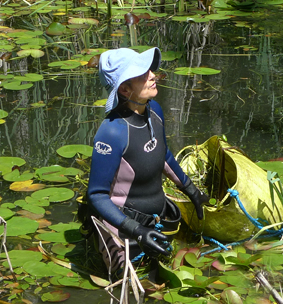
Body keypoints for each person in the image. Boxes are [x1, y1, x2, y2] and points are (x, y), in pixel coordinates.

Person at [83, 46, 210, 278]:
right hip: (122, 231)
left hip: (155, 221)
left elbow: (163, 155)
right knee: (129, 289)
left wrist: (192, 190)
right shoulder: (112, 132)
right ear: (124, 88)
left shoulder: (155, 112)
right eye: (142, 73)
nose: (152, 74)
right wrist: (136, 231)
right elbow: (96, 195)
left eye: (149, 69)